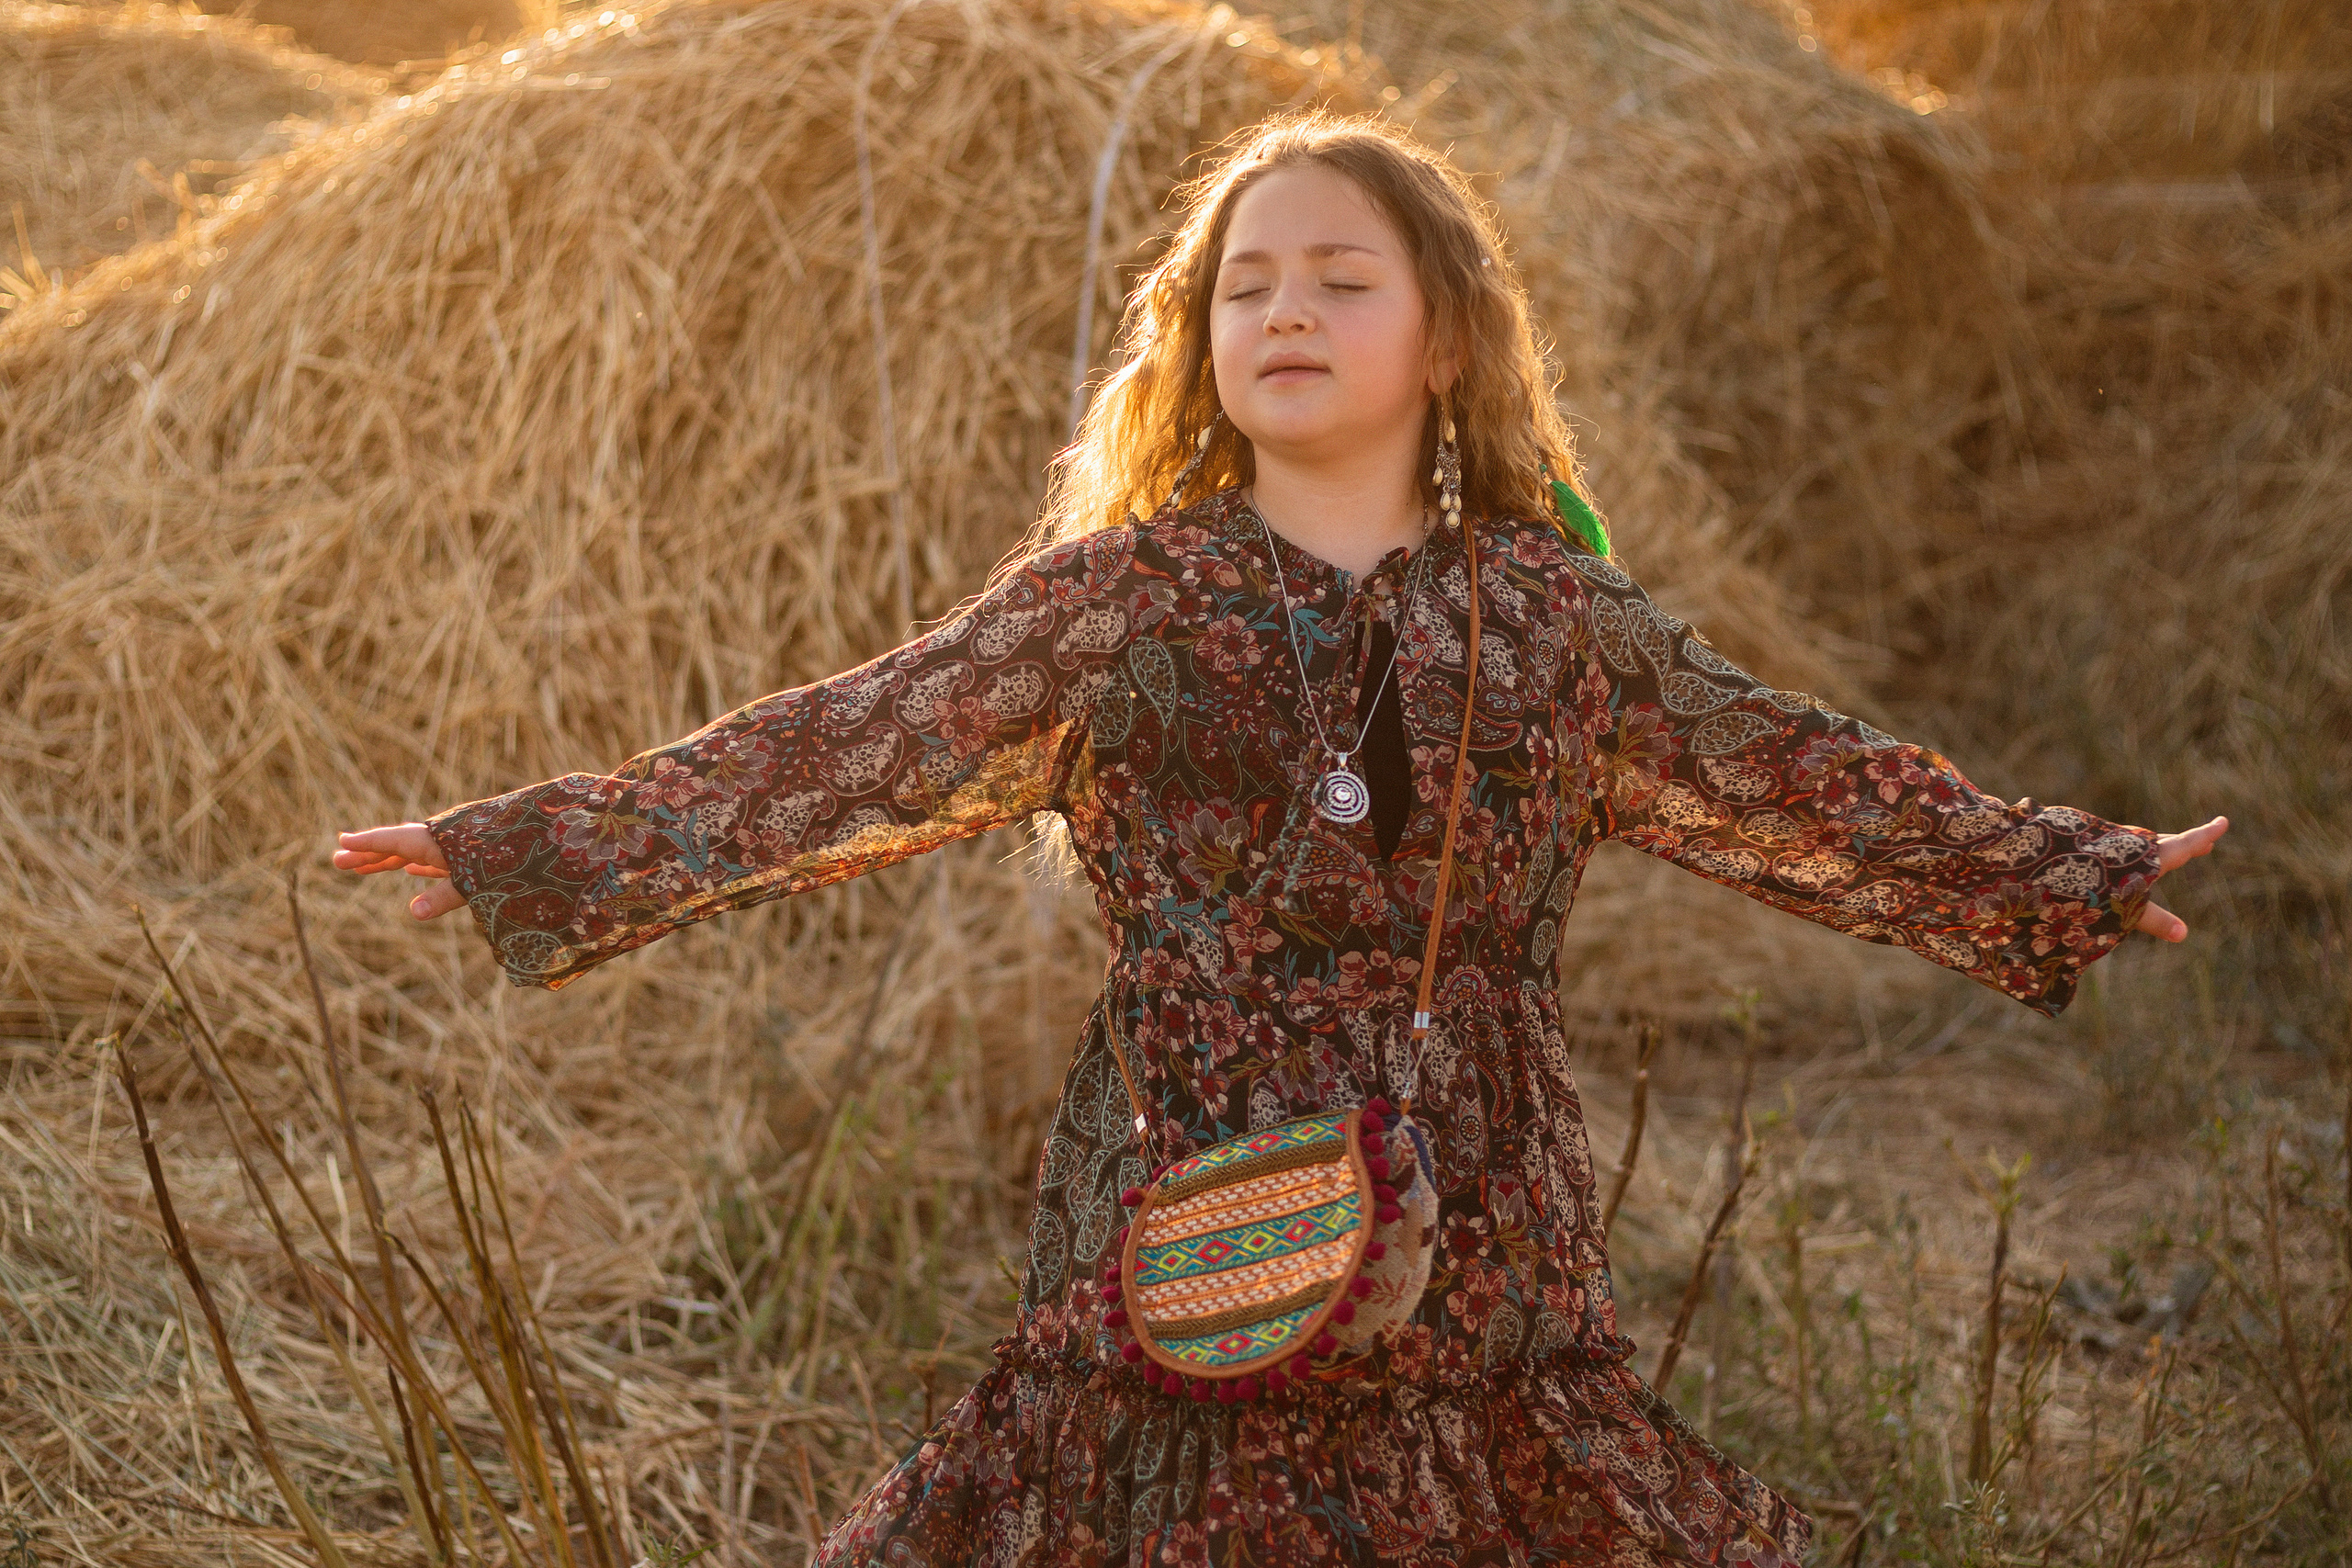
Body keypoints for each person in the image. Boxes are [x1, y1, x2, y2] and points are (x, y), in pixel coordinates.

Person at [335, 111, 2225, 1566]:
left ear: (1446, 337)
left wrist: (2053, 868)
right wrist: (532, 847)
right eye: (1242, 284)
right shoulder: (1117, 599)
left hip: (1463, 1202)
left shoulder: (1546, 614)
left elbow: (1780, 767)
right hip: (1176, 1188)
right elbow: (848, 743)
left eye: (1337, 277)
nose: (1283, 313)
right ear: (1194, 337)